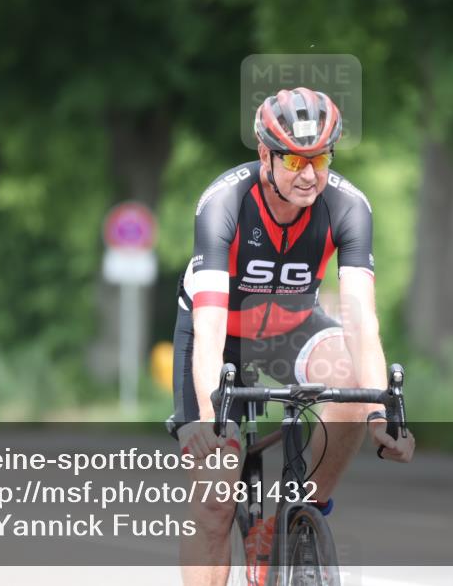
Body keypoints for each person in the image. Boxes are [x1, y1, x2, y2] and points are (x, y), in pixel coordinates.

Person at [172, 87, 415, 586]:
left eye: (321, 157)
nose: (310, 174)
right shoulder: (225, 203)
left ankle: (294, 519)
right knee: (216, 501)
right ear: (265, 154)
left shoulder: (348, 206)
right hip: (224, 338)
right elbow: (211, 325)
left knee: (351, 383)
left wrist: (377, 415)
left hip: (293, 328)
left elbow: (361, 321)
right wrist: (207, 417)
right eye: (294, 160)